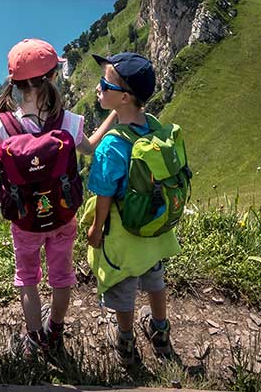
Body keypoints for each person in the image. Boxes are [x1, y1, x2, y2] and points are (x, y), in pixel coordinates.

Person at [0, 39, 116, 354]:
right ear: (52, 77)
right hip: (63, 215)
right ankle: (55, 331)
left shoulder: (3, 127)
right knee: (62, 277)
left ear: (14, 84)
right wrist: (114, 115)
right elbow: (91, 147)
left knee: (27, 279)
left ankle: (35, 338)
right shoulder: (68, 121)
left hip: (25, 221)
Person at [84, 52, 181, 366]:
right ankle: (160, 331)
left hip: (124, 234)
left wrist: (96, 228)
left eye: (104, 84)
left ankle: (125, 342)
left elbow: (103, 194)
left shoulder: (111, 145)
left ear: (124, 97)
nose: (98, 88)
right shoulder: (153, 125)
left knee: (122, 287)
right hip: (154, 228)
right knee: (155, 278)